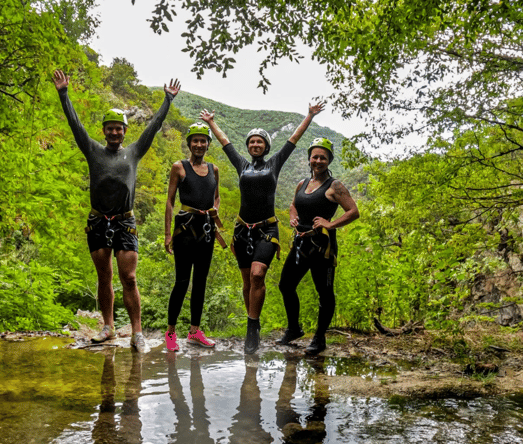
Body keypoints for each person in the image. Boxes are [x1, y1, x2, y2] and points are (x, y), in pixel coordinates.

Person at [52, 69, 180, 351]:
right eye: (109, 127)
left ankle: (137, 332)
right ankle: (108, 327)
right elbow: (75, 126)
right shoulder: (93, 150)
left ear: (124, 131)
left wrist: (167, 101)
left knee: (129, 278)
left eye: (118, 128)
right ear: (104, 131)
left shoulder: (133, 152)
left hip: (124, 221)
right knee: (104, 277)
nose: (114, 132)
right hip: (97, 221)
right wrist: (64, 93)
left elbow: (153, 128)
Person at [200, 102, 325, 354]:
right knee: (247, 282)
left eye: (260, 142)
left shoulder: (275, 164)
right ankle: (253, 325)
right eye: (251, 142)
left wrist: (309, 116)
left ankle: (251, 326)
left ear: (266, 146)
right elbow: (226, 144)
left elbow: (292, 139)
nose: (255, 145)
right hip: (242, 230)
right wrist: (211, 123)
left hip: (267, 230)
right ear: (248, 146)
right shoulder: (242, 165)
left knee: (258, 275)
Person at [277, 137, 359, 355]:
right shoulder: (302, 184)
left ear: (329, 160)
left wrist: (330, 224)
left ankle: (319, 337)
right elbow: (294, 204)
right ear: (309, 159)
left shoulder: (335, 186)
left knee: (324, 292)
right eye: (315, 156)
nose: (319, 160)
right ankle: (294, 328)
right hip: (301, 243)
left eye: (323, 157)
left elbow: (353, 211)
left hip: (323, 246)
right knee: (286, 285)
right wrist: (293, 218)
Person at [164, 123, 222, 351]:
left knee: (200, 282)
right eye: (195, 141)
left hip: (206, 230)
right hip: (185, 230)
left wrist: (215, 208)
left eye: (203, 141)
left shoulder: (214, 170)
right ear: (189, 143)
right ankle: (170, 333)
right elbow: (169, 201)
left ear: (208, 144)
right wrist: (168, 233)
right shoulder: (179, 167)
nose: (199, 145)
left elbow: (216, 198)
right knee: (181, 282)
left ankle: (194, 331)